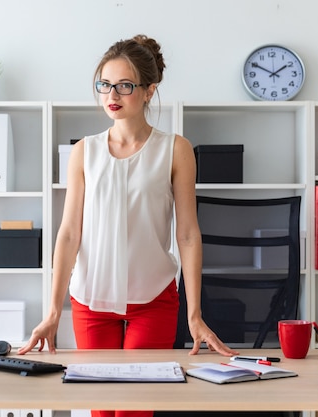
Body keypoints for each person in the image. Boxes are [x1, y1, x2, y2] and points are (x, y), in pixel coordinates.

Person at [18, 34, 239, 417]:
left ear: (150, 90)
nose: (111, 94)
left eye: (125, 85)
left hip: (152, 299)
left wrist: (195, 313)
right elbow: (70, 232)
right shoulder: (84, 151)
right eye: (104, 84)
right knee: (102, 410)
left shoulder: (176, 149)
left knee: (137, 409)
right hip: (90, 298)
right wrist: (52, 312)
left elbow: (187, 234)